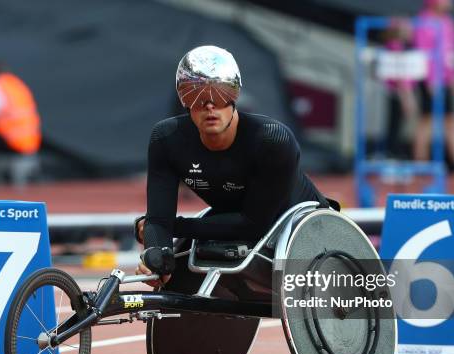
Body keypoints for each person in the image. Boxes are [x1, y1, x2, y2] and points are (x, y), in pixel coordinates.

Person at [134, 45, 333, 287]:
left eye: (219, 94)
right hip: (232, 230)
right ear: (184, 102)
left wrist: (171, 226)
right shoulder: (165, 139)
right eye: (195, 95)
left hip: (304, 232)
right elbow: (157, 220)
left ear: (235, 94)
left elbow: (253, 225)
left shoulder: (272, 139)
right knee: (172, 281)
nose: (209, 105)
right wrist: (157, 259)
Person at [412, 0, 454, 169]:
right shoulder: (423, 21)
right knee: (427, 119)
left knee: (451, 119)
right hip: (430, 79)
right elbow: (423, 52)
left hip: (445, 78)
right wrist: (430, 81)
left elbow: (452, 51)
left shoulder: (448, 22)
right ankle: (420, 163)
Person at [381, 18, 417, 159]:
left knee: (394, 126)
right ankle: (392, 155)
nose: (410, 31)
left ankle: (393, 153)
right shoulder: (395, 46)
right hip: (397, 92)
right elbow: (400, 76)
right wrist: (407, 98)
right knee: (395, 126)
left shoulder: (395, 46)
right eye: (407, 29)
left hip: (395, 91)